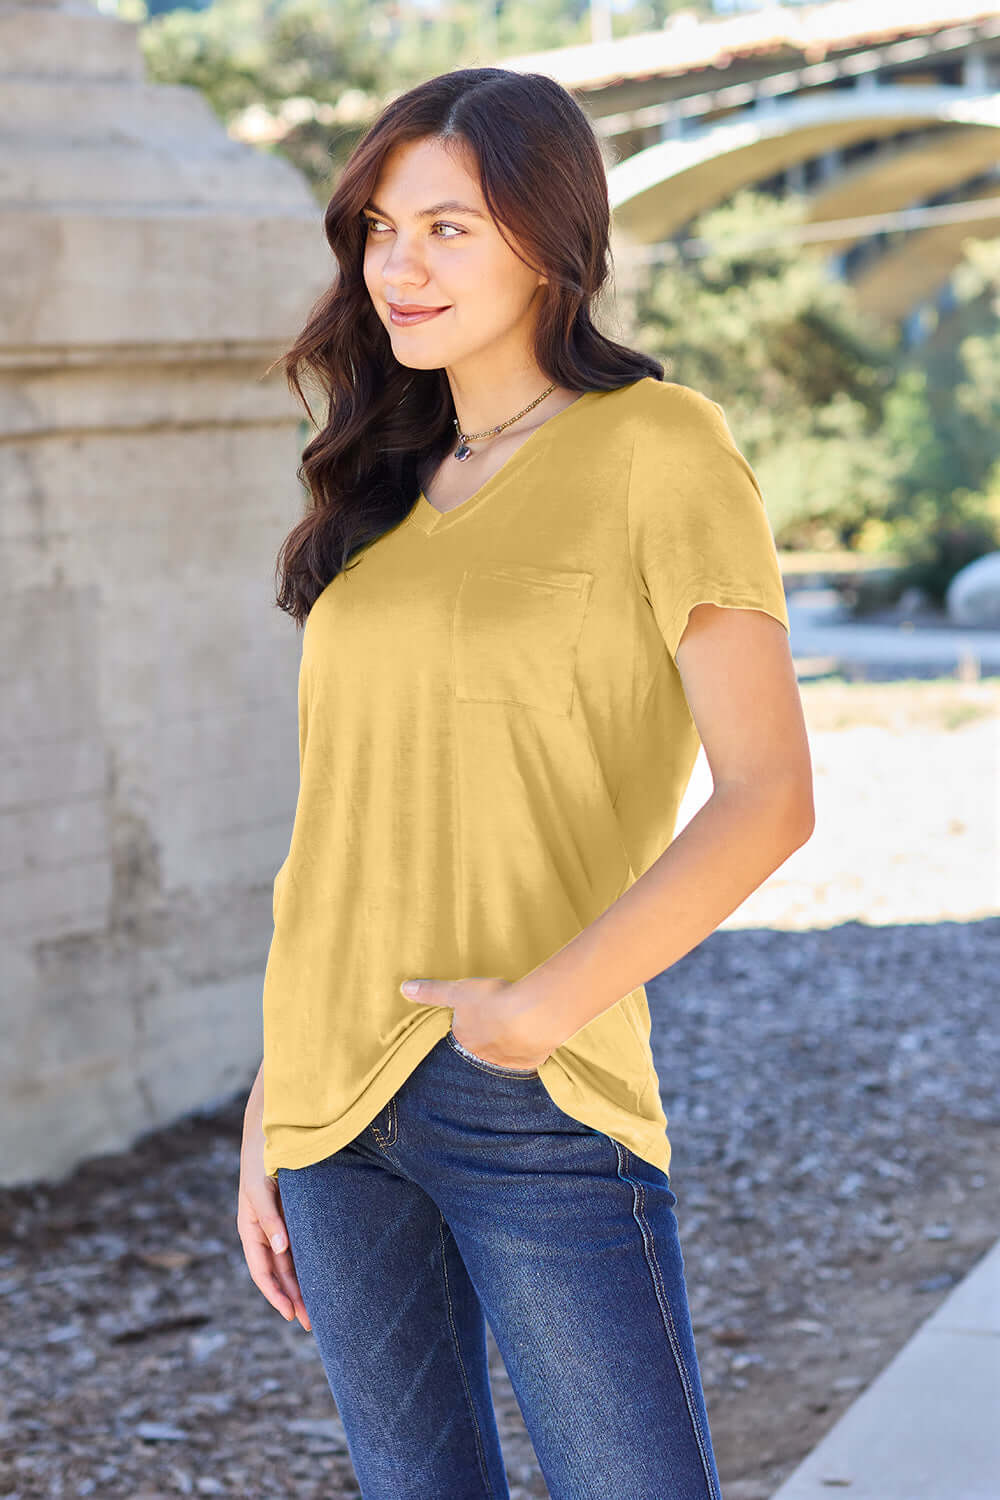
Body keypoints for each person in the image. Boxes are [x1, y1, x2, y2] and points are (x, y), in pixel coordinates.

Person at [237, 66, 814, 1500]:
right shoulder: (379, 486)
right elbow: (339, 830)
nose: (399, 266)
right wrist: (269, 1105)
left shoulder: (657, 450)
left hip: (530, 1083)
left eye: (449, 227)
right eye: (379, 228)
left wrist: (542, 1007)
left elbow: (769, 797)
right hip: (328, 1102)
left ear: (552, 241)